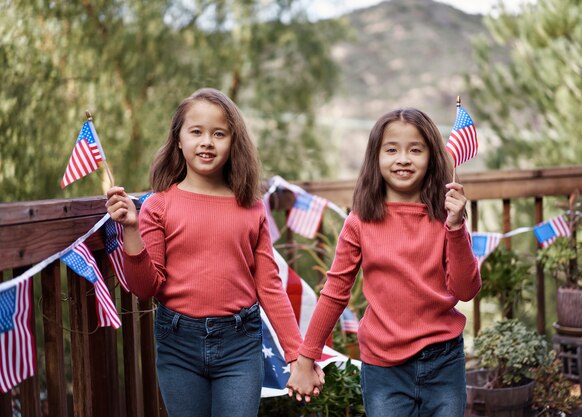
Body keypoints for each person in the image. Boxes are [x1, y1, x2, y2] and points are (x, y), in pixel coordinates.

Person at [105, 88, 322, 417]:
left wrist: (296, 356)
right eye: (196, 132)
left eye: (218, 133)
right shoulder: (158, 207)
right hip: (177, 343)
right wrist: (131, 229)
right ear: (178, 139)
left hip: (240, 343)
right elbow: (145, 287)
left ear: (233, 142)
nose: (207, 141)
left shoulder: (250, 208)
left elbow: (269, 285)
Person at [287, 107, 481, 417]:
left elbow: (467, 289)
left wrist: (456, 228)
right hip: (384, 368)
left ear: (431, 158)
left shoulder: (446, 217)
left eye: (415, 150)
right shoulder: (360, 222)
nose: (403, 158)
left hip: (444, 361)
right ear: (376, 158)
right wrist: (306, 358)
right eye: (391, 149)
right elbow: (335, 291)